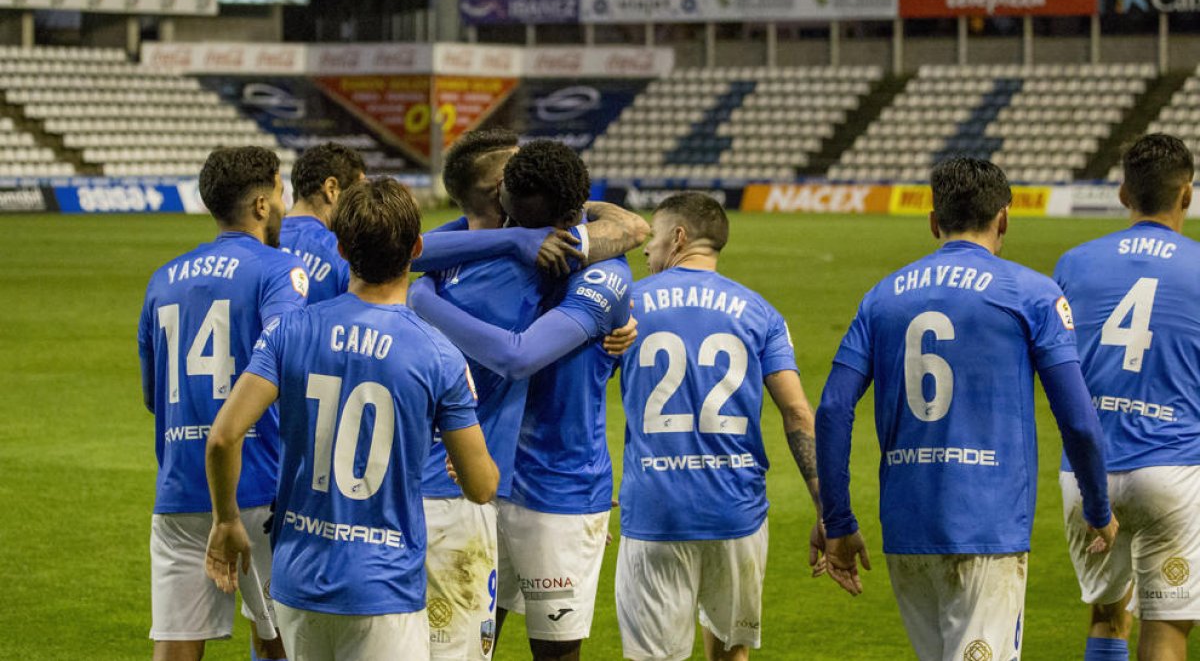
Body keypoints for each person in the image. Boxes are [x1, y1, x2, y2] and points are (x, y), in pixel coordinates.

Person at [815, 157, 1118, 661]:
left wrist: (839, 522)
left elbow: (832, 410)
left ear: (934, 221)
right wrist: (1099, 508)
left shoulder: (881, 297)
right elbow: (1079, 421)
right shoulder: (1033, 293)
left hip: (908, 530)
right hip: (987, 528)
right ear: (1004, 218)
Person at [203, 177, 499, 660]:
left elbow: (223, 438)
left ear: (341, 248)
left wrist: (226, 520)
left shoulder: (291, 331)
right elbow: (482, 487)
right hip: (383, 589)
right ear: (417, 249)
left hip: (299, 581)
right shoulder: (438, 354)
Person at [415, 131, 648, 661]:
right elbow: (416, 249)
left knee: (535, 650)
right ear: (500, 190)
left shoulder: (587, 260)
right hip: (481, 481)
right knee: (475, 643)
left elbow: (522, 355)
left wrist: (421, 298)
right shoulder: (478, 255)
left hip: (553, 487)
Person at [614, 192, 823, 661]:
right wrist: (825, 506)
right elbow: (798, 414)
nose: (646, 250)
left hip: (655, 510)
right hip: (736, 512)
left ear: (679, 237)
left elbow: (578, 394)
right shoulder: (759, 311)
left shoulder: (627, 305)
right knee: (731, 654)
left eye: (653, 236)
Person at [137, 146, 305, 661]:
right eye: (280, 193)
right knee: (280, 637)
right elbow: (287, 360)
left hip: (180, 488)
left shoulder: (162, 279)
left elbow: (152, 395)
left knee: (176, 641)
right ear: (260, 204)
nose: (283, 205)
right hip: (260, 482)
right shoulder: (280, 270)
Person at [1054, 133, 1200, 661]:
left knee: (1107, 615)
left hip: (1087, 471)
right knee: (1167, 626)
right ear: (1186, 194)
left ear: (1122, 194)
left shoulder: (1073, 264)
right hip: (1172, 468)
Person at [278, 142, 366, 304]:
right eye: (358, 194)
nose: (363, 207)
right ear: (331, 189)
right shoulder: (343, 253)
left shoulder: (257, 243)